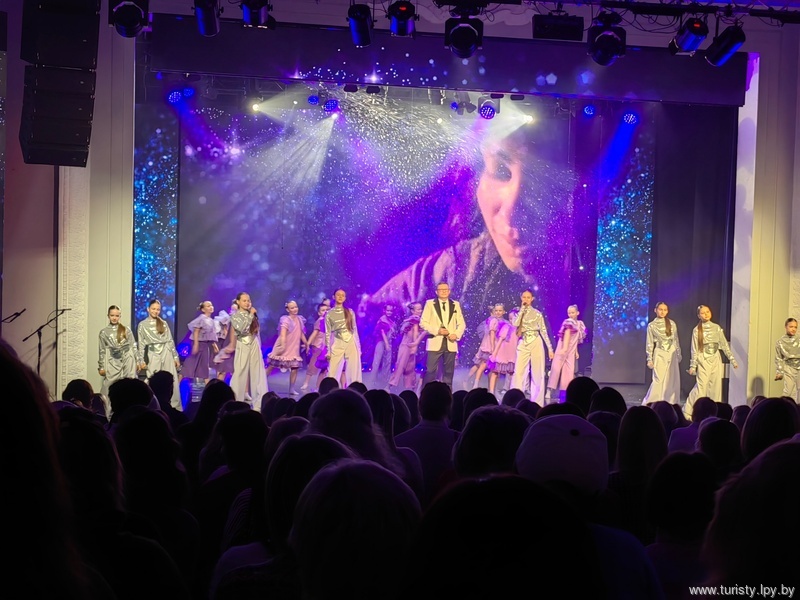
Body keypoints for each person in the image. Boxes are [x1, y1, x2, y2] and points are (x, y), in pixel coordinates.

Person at [360, 126, 575, 357]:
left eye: (543, 183)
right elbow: (364, 328)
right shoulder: (444, 273)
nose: (510, 214)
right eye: (501, 171)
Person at [686, 305, 738, 419]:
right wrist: (693, 365)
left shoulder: (716, 327)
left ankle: (714, 411)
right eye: (703, 313)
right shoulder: (697, 330)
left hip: (715, 358)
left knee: (715, 385)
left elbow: (724, 345)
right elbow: (694, 349)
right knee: (701, 386)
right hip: (703, 359)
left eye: (707, 312)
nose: (706, 314)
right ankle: (690, 410)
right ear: (699, 315)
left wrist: (732, 359)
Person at [223, 292, 268, 409]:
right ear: (238, 302)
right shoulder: (235, 316)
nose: (247, 303)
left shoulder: (252, 314)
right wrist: (251, 315)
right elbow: (242, 329)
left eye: (249, 300)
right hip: (242, 344)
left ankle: (259, 403)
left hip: (254, 344)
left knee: (258, 373)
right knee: (240, 372)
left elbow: (256, 332)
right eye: (244, 300)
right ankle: (236, 401)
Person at [420, 282, 466, 390]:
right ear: (437, 292)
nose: (444, 291)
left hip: (450, 343)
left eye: (446, 289)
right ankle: (426, 394)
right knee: (430, 371)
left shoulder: (455, 304)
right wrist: (438, 331)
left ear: (449, 291)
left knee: (448, 372)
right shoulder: (430, 304)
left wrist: (456, 334)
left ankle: (447, 395)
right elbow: (423, 323)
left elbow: (462, 323)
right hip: (435, 342)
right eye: (441, 290)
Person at [137, 298, 182, 410]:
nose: (155, 311)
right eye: (153, 309)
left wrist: (175, 357)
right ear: (148, 309)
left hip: (166, 351)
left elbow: (170, 340)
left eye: (158, 309)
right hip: (153, 353)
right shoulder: (142, 325)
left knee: (171, 377)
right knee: (152, 377)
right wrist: (141, 360)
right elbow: (141, 344)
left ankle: (174, 406)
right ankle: (152, 405)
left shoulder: (163, 323)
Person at [511, 290, 553, 405]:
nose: (526, 299)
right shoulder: (518, 313)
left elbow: (543, 331)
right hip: (523, 342)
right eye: (524, 297)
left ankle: (537, 403)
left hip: (535, 341)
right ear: (521, 298)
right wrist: (522, 310)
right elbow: (515, 324)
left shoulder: (537, 313)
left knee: (537, 373)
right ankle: (516, 400)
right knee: (518, 371)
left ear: (532, 299)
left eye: (528, 297)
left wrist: (550, 348)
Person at [642, 301, 682, 405]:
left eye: (665, 310)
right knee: (658, 379)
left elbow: (675, 340)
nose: (662, 312)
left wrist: (678, 353)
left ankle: (669, 402)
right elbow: (650, 343)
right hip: (659, 352)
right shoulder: (652, 325)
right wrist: (649, 359)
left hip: (671, 352)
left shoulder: (672, 323)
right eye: (660, 309)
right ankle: (652, 402)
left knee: (671, 378)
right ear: (655, 310)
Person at [98, 304, 143, 396]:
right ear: (108, 316)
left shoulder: (126, 330)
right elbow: (102, 350)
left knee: (130, 381)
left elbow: (133, 345)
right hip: (114, 358)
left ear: (120, 316)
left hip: (128, 357)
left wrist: (138, 361)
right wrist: (101, 367)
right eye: (112, 315)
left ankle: (131, 402)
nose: (114, 318)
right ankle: (106, 404)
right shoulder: (104, 332)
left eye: (117, 315)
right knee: (109, 383)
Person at [266, 300, 308, 396]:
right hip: (284, 344)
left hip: (294, 346)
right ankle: (261, 384)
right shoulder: (286, 320)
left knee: (295, 367)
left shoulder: (299, 319)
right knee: (272, 365)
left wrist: (306, 343)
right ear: (288, 309)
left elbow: (301, 333)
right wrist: (283, 346)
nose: (295, 309)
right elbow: (283, 334)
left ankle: (291, 388)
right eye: (292, 308)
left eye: (296, 307)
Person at [547, 304, 587, 402]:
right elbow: (567, 335)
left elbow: (576, 340)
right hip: (563, 347)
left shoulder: (580, 324)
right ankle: (549, 390)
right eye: (569, 313)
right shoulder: (569, 322)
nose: (570, 315)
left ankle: (565, 390)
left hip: (571, 350)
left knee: (569, 371)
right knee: (556, 369)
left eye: (572, 312)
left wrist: (576, 351)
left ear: (577, 313)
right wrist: (564, 348)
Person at [325, 288, 362, 384]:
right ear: (333, 297)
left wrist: (358, 348)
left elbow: (354, 330)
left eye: (343, 295)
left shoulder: (350, 312)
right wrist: (328, 351)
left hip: (351, 342)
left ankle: (353, 389)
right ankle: (331, 389)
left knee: (353, 370)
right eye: (338, 295)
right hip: (337, 342)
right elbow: (328, 333)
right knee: (332, 370)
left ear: (345, 298)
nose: (340, 297)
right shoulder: (329, 314)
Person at [388, 302, 426, 392]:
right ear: (412, 311)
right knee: (401, 365)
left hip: (409, 344)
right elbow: (415, 333)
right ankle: (390, 386)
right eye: (418, 309)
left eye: (421, 309)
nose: (420, 311)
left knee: (410, 367)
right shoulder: (414, 319)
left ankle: (410, 387)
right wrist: (415, 346)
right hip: (407, 345)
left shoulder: (412, 320)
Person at [467, 304, 503, 391]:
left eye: (500, 311)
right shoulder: (493, 321)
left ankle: (491, 388)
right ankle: (475, 384)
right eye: (496, 311)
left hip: (494, 346)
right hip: (489, 347)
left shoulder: (500, 321)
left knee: (490, 368)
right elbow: (491, 335)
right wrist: (493, 348)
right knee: (482, 365)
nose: (498, 312)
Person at [182, 300, 218, 384]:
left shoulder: (211, 320)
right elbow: (196, 331)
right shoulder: (201, 319)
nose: (211, 307)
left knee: (204, 366)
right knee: (190, 364)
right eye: (208, 306)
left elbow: (211, 335)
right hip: (198, 344)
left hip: (205, 345)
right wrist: (196, 345)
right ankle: (177, 383)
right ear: (203, 309)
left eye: (211, 305)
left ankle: (208, 387)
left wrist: (214, 345)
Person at [300, 302, 330, 392]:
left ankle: (318, 387)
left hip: (327, 347)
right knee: (313, 365)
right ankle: (306, 383)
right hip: (318, 346)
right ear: (319, 313)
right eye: (323, 310)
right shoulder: (320, 321)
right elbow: (314, 333)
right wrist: (308, 344)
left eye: (327, 310)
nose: (325, 312)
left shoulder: (330, 321)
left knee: (324, 368)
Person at [370, 304, 397, 389]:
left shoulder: (390, 321)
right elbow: (382, 332)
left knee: (387, 363)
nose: (389, 312)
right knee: (377, 362)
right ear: (384, 310)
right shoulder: (382, 320)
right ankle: (372, 383)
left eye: (391, 311)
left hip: (389, 342)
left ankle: (384, 383)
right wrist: (386, 344)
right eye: (388, 310)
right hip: (381, 342)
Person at [774, 317, 800, 402]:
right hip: (789, 368)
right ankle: (782, 408)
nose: (793, 329)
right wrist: (779, 372)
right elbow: (778, 358)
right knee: (788, 392)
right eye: (791, 326)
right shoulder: (780, 342)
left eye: (795, 327)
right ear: (786, 327)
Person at [213, 305, 235, 381]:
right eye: (233, 309)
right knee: (222, 369)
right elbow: (225, 333)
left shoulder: (238, 320)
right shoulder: (226, 319)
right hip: (226, 345)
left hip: (236, 347)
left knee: (234, 370)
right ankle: (218, 386)